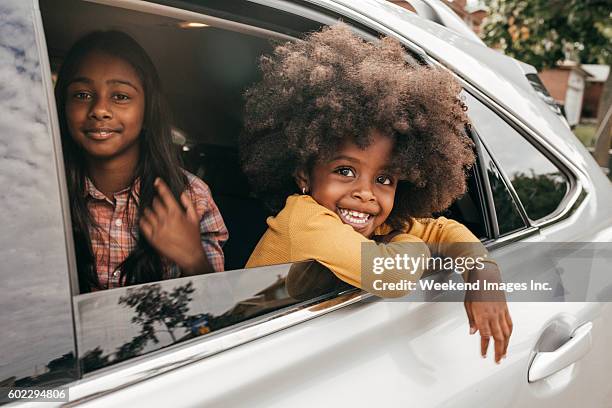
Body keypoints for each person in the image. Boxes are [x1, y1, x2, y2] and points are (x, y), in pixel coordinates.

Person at [241, 25, 511, 363]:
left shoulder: (375, 223)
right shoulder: (304, 218)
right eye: (345, 171)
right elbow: (392, 274)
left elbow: (442, 230)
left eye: (384, 179)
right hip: (244, 351)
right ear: (303, 177)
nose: (365, 193)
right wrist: (410, 242)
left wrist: (483, 271)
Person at [55, 31, 228, 293]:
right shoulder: (41, 192)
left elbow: (217, 313)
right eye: (81, 95)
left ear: (147, 112)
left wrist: (193, 258)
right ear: (63, 106)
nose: (99, 109)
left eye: (120, 96)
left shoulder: (191, 197)